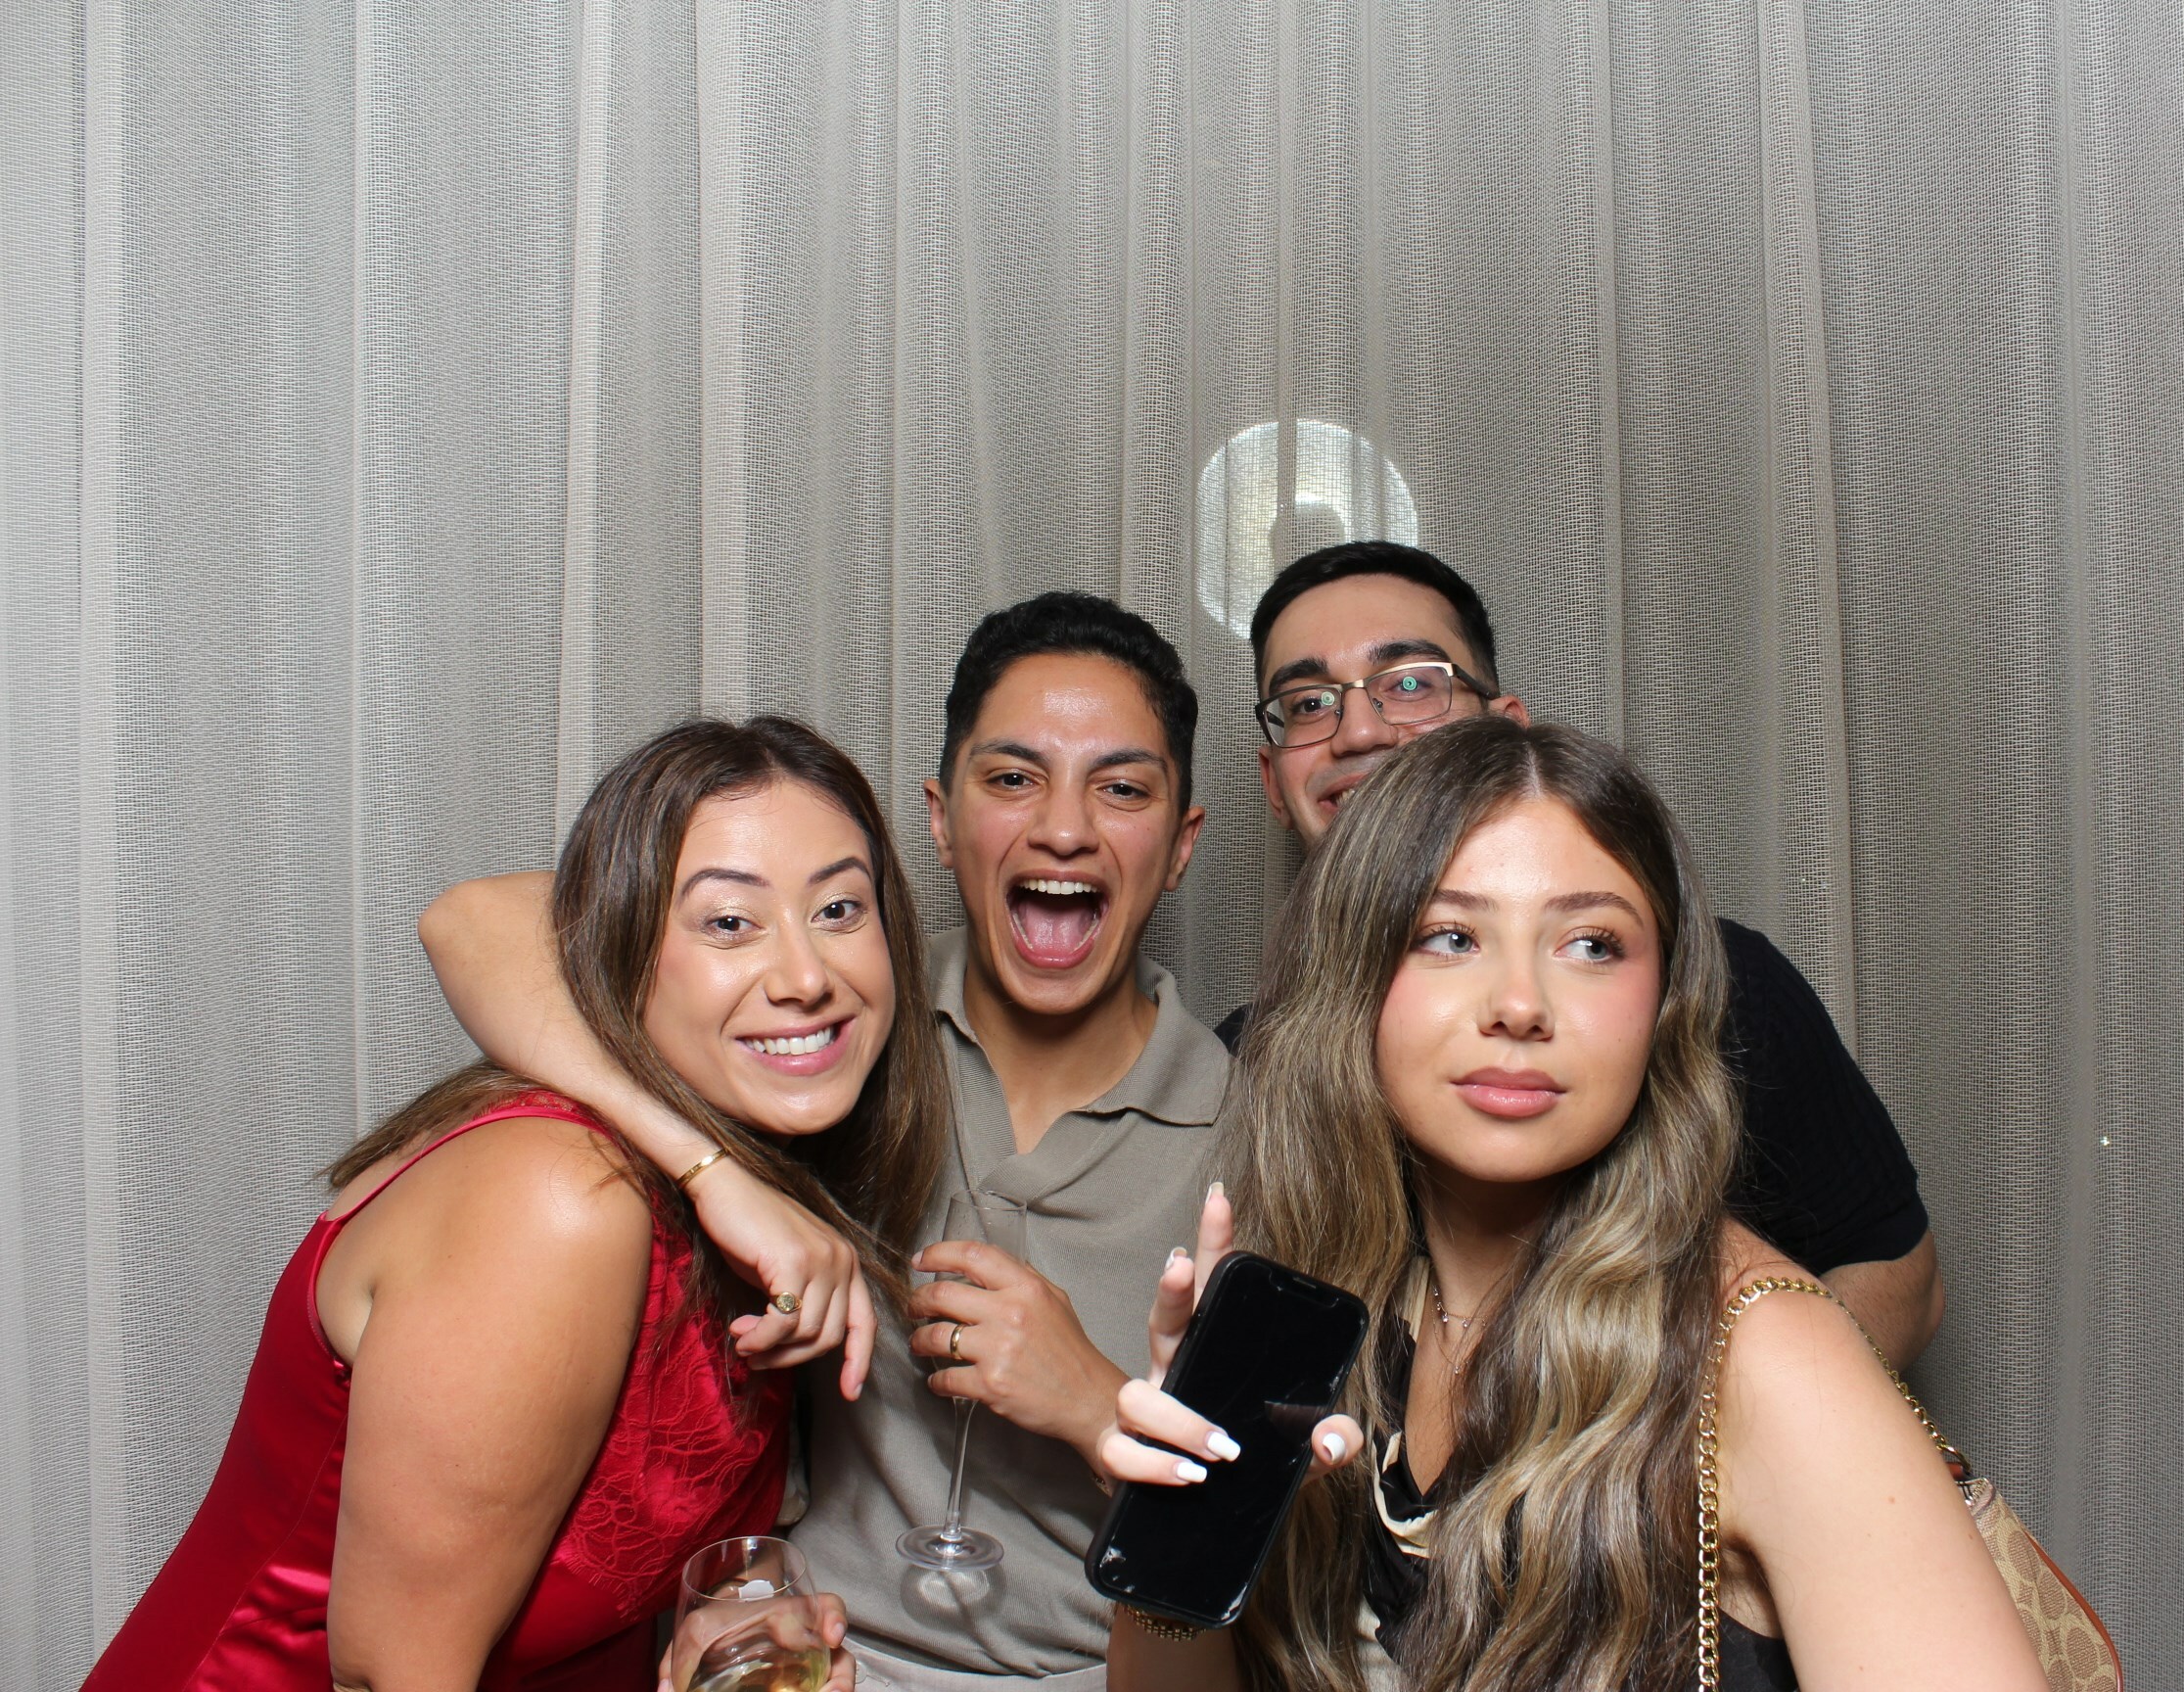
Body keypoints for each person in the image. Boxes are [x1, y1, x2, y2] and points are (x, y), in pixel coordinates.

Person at [1098, 717, 2045, 1692]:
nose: (1520, 1004)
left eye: (1592, 944)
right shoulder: (1344, 1303)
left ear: (1664, 1001)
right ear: (1354, 980)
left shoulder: (1764, 1357)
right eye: (1450, 936)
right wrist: (1186, 1522)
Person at [419, 592, 1226, 1688]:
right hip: (830, 1661)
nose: (1064, 829)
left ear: (1180, 846)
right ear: (938, 819)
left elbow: (1281, 1555)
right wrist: (720, 1176)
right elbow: (475, 921)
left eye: (1121, 789)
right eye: (1011, 778)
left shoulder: (1261, 1133)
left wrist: (1091, 1406)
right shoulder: (831, 1041)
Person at [88, 716, 946, 1691]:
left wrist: (718, 1617)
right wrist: (714, 1171)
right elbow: (390, 1674)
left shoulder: (765, 1188)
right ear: (623, 953)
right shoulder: (559, 1196)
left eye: (838, 909)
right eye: (727, 923)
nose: (806, 977)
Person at [1230, 540, 1943, 1365]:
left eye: (1413, 683)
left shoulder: (1713, 985)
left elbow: (1897, 1272)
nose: (1358, 729)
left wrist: (1732, 1422)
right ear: (1274, 782)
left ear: (1508, 733)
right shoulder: (1250, 1059)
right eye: (1308, 702)